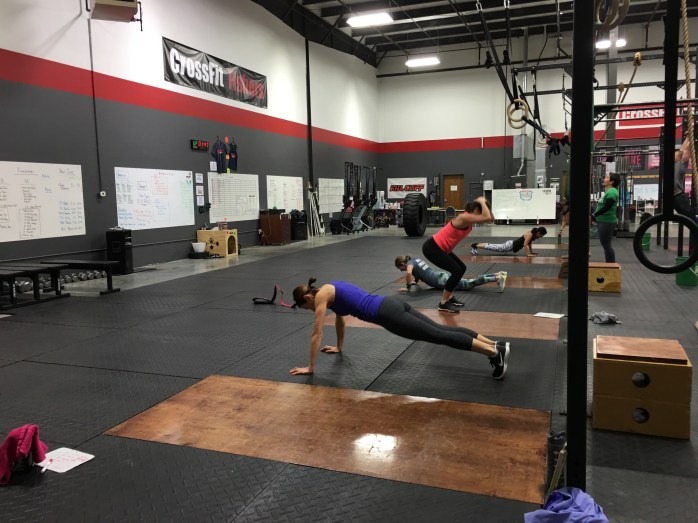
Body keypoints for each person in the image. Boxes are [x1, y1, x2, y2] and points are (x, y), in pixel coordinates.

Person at [289, 278, 510, 380]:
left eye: (307, 307)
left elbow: (316, 333)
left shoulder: (321, 297)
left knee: (438, 335)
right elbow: (340, 320)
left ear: (308, 297)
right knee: (438, 329)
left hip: (387, 315)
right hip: (390, 303)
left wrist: (310, 367)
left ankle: (493, 353)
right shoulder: (331, 287)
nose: (311, 310)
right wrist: (339, 346)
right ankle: (495, 344)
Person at [421, 196, 494, 313]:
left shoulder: (469, 219)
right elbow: (487, 217)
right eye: (480, 211)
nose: (481, 215)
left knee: (461, 268)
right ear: (476, 210)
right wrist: (482, 202)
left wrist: (484, 204)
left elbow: (490, 219)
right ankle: (443, 303)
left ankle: (449, 298)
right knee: (456, 271)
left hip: (442, 248)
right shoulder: (464, 217)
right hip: (432, 248)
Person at [394, 255, 507, 294]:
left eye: (400, 268)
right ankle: (497, 274)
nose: (401, 271)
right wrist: (410, 285)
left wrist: (409, 284)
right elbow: (417, 276)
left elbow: (408, 273)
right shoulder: (415, 260)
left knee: (468, 284)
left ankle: (497, 278)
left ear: (402, 264)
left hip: (440, 280)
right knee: (468, 281)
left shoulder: (410, 264)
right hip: (440, 277)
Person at [590, 172, 620, 263]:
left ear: (611, 181)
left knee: (606, 245)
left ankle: (611, 265)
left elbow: (607, 207)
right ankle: (610, 264)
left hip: (607, 221)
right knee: (605, 244)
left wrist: (595, 214)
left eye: (607, 178)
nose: (604, 179)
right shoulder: (609, 191)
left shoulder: (612, 192)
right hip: (602, 221)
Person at [470, 227, 548, 257]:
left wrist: (531, 252)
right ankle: (475, 245)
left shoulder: (532, 234)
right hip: (510, 246)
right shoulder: (530, 234)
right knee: (493, 247)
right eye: (541, 235)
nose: (541, 237)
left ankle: (476, 245)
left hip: (511, 245)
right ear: (538, 233)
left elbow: (529, 244)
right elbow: (525, 244)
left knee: (493, 246)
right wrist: (528, 254)